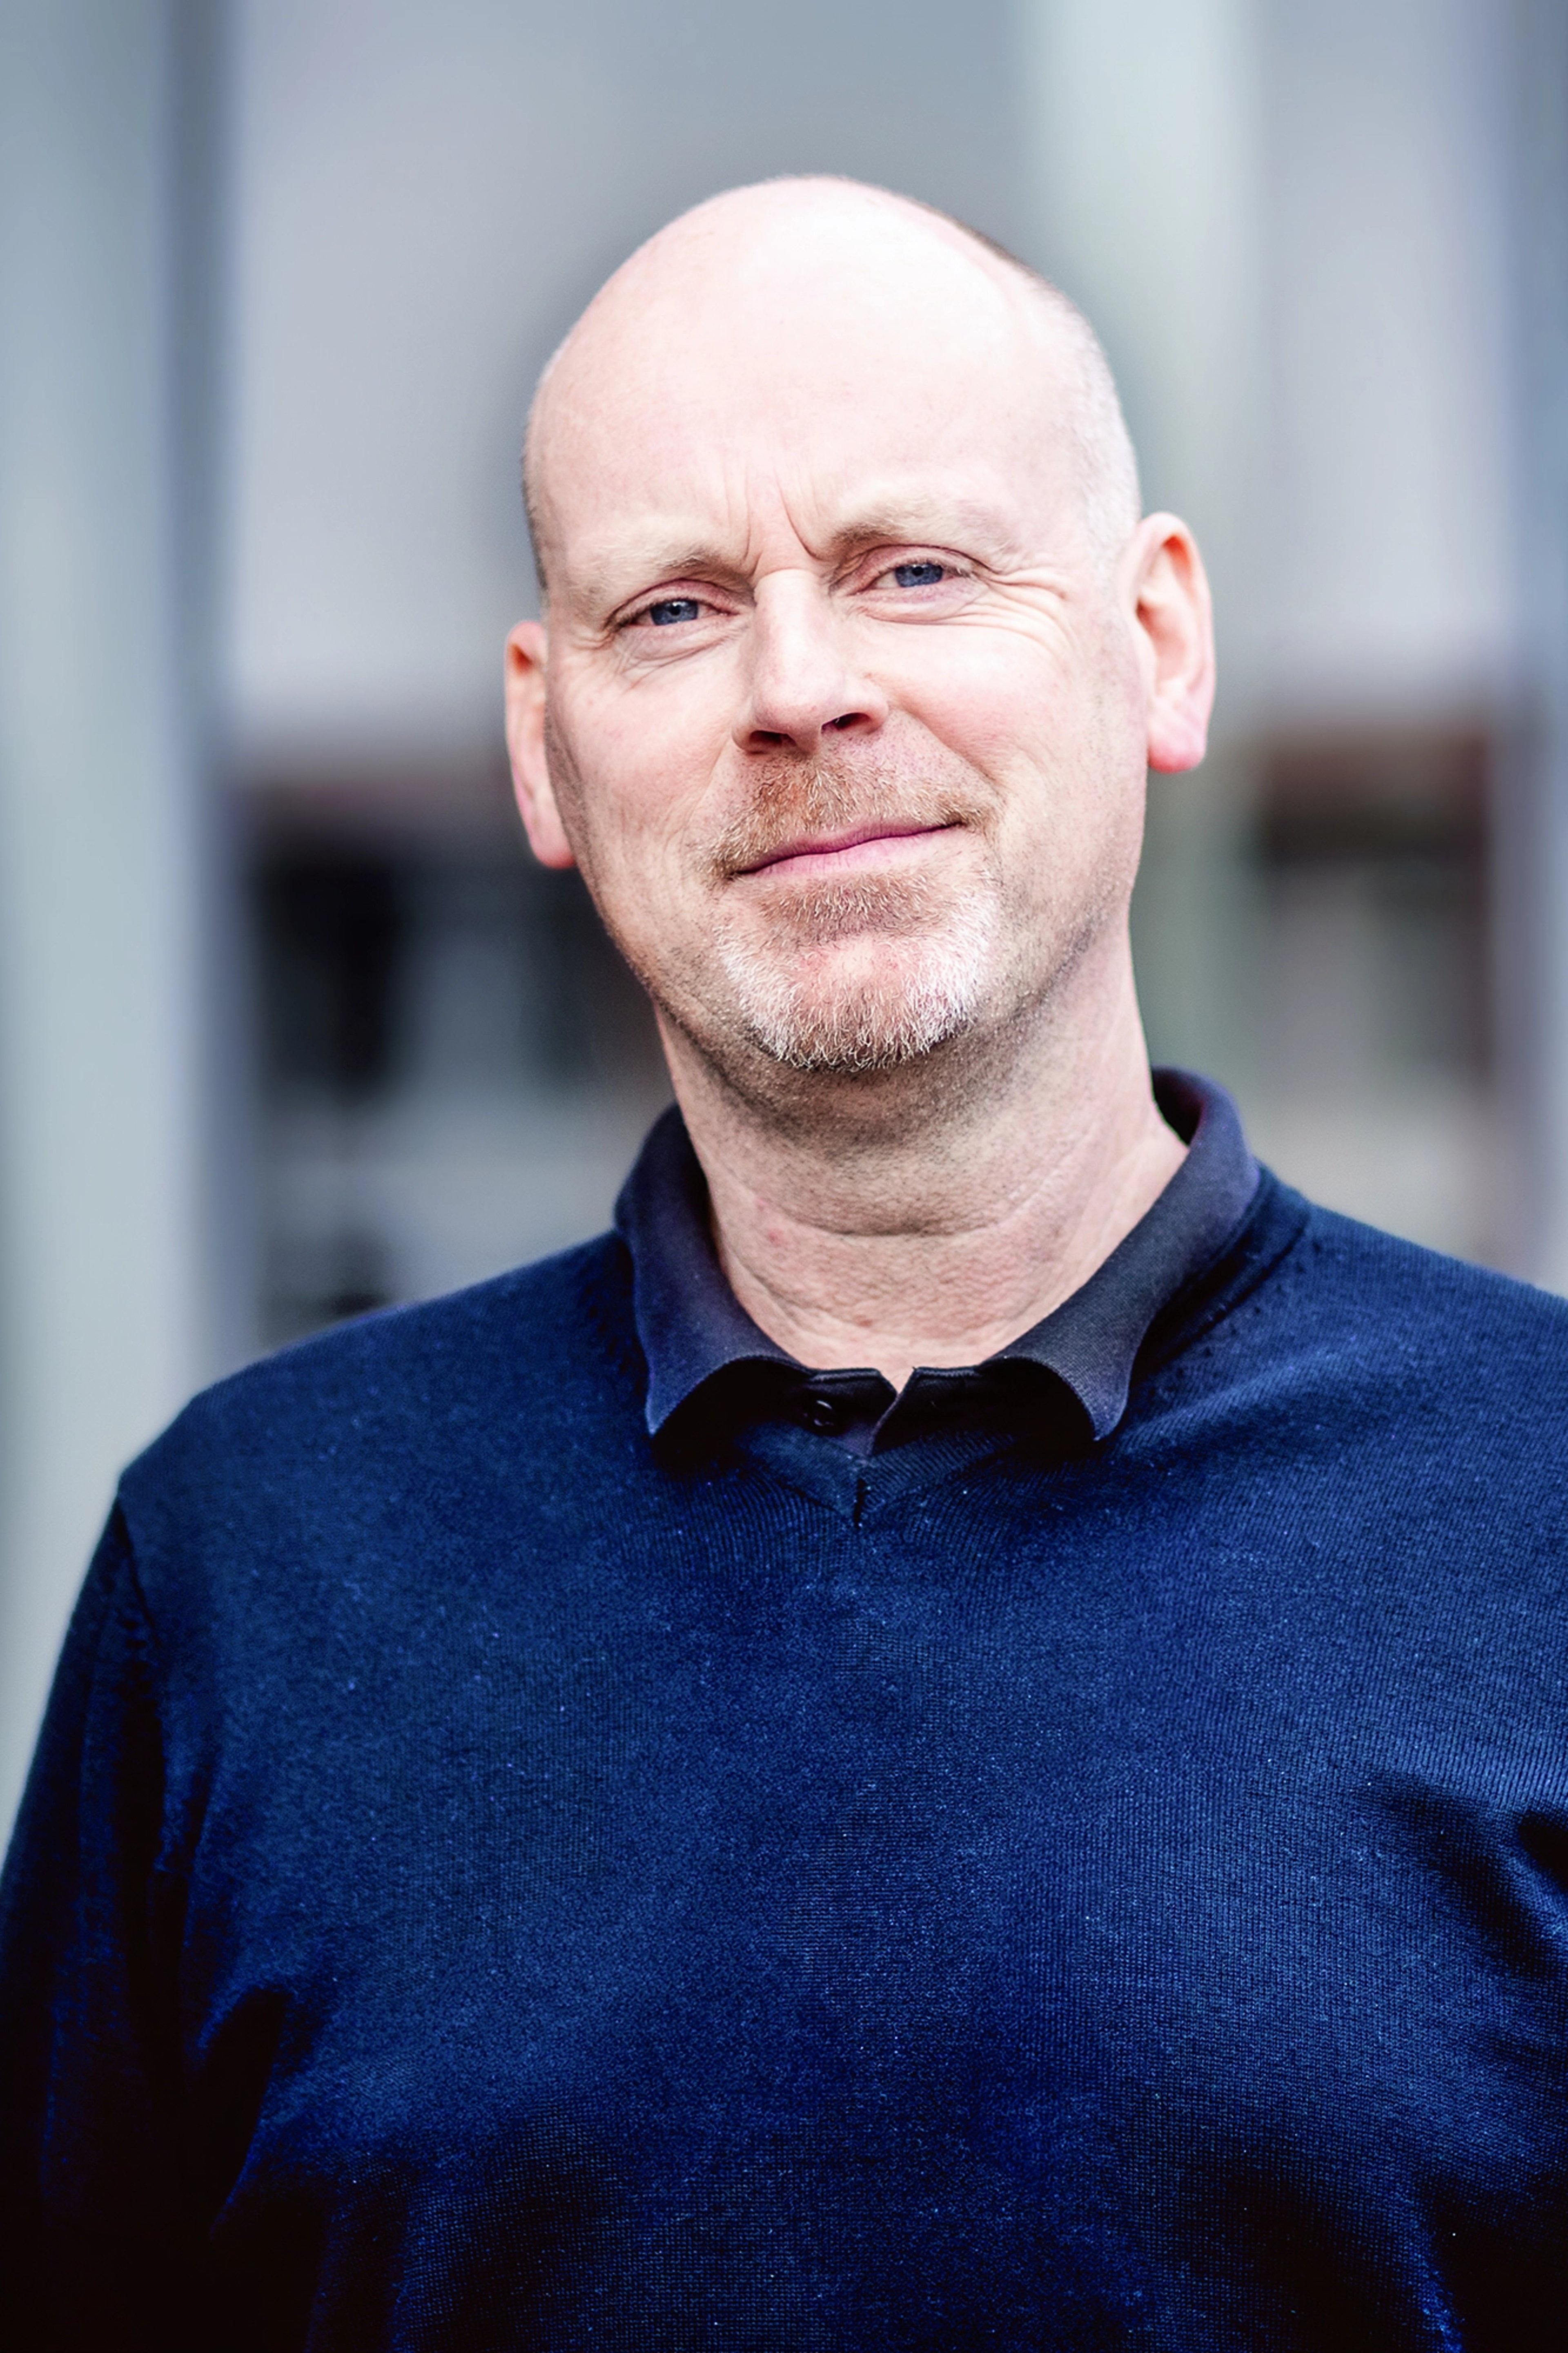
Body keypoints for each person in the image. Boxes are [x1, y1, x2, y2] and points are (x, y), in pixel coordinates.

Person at [2, 175, 1566, 2352]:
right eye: (673, 611)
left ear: (1160, 640)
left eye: (912, 568)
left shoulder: (1544, 1510)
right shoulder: (247, 1571)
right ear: (544, 743)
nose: (799, 687)